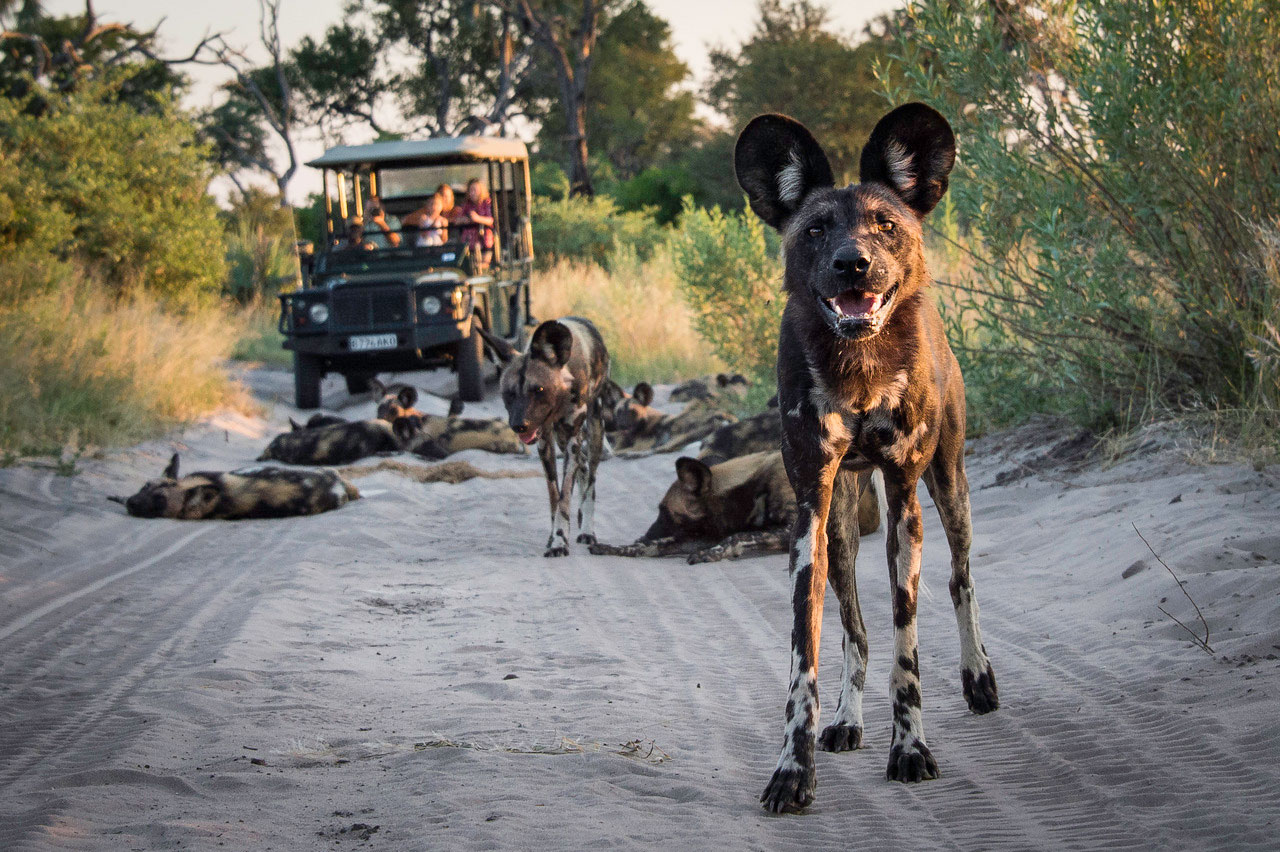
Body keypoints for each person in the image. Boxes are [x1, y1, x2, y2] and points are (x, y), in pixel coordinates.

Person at [453, 178, 494, 268]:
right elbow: (457, 220)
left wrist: (477, 218)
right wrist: (466, 219)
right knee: (470, 264)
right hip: (469, 241)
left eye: (474, 190)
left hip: (484, 239)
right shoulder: (466, 205)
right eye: (470, 190)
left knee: (483, 264)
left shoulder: (487, 203)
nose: (472, 193)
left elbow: (491, 220)